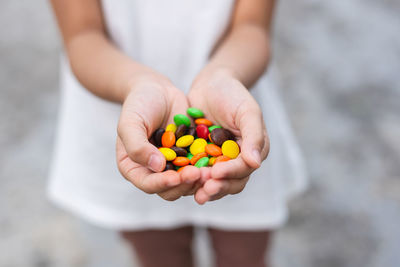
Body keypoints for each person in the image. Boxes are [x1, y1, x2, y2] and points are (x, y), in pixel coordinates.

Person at [48, 0, 307, 266]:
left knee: (244, 257)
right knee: (160, 256)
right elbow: (82, 37)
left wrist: (224, 74)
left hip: (234, 121)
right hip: (134, 135)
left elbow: (251, 27)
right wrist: (138, 84)